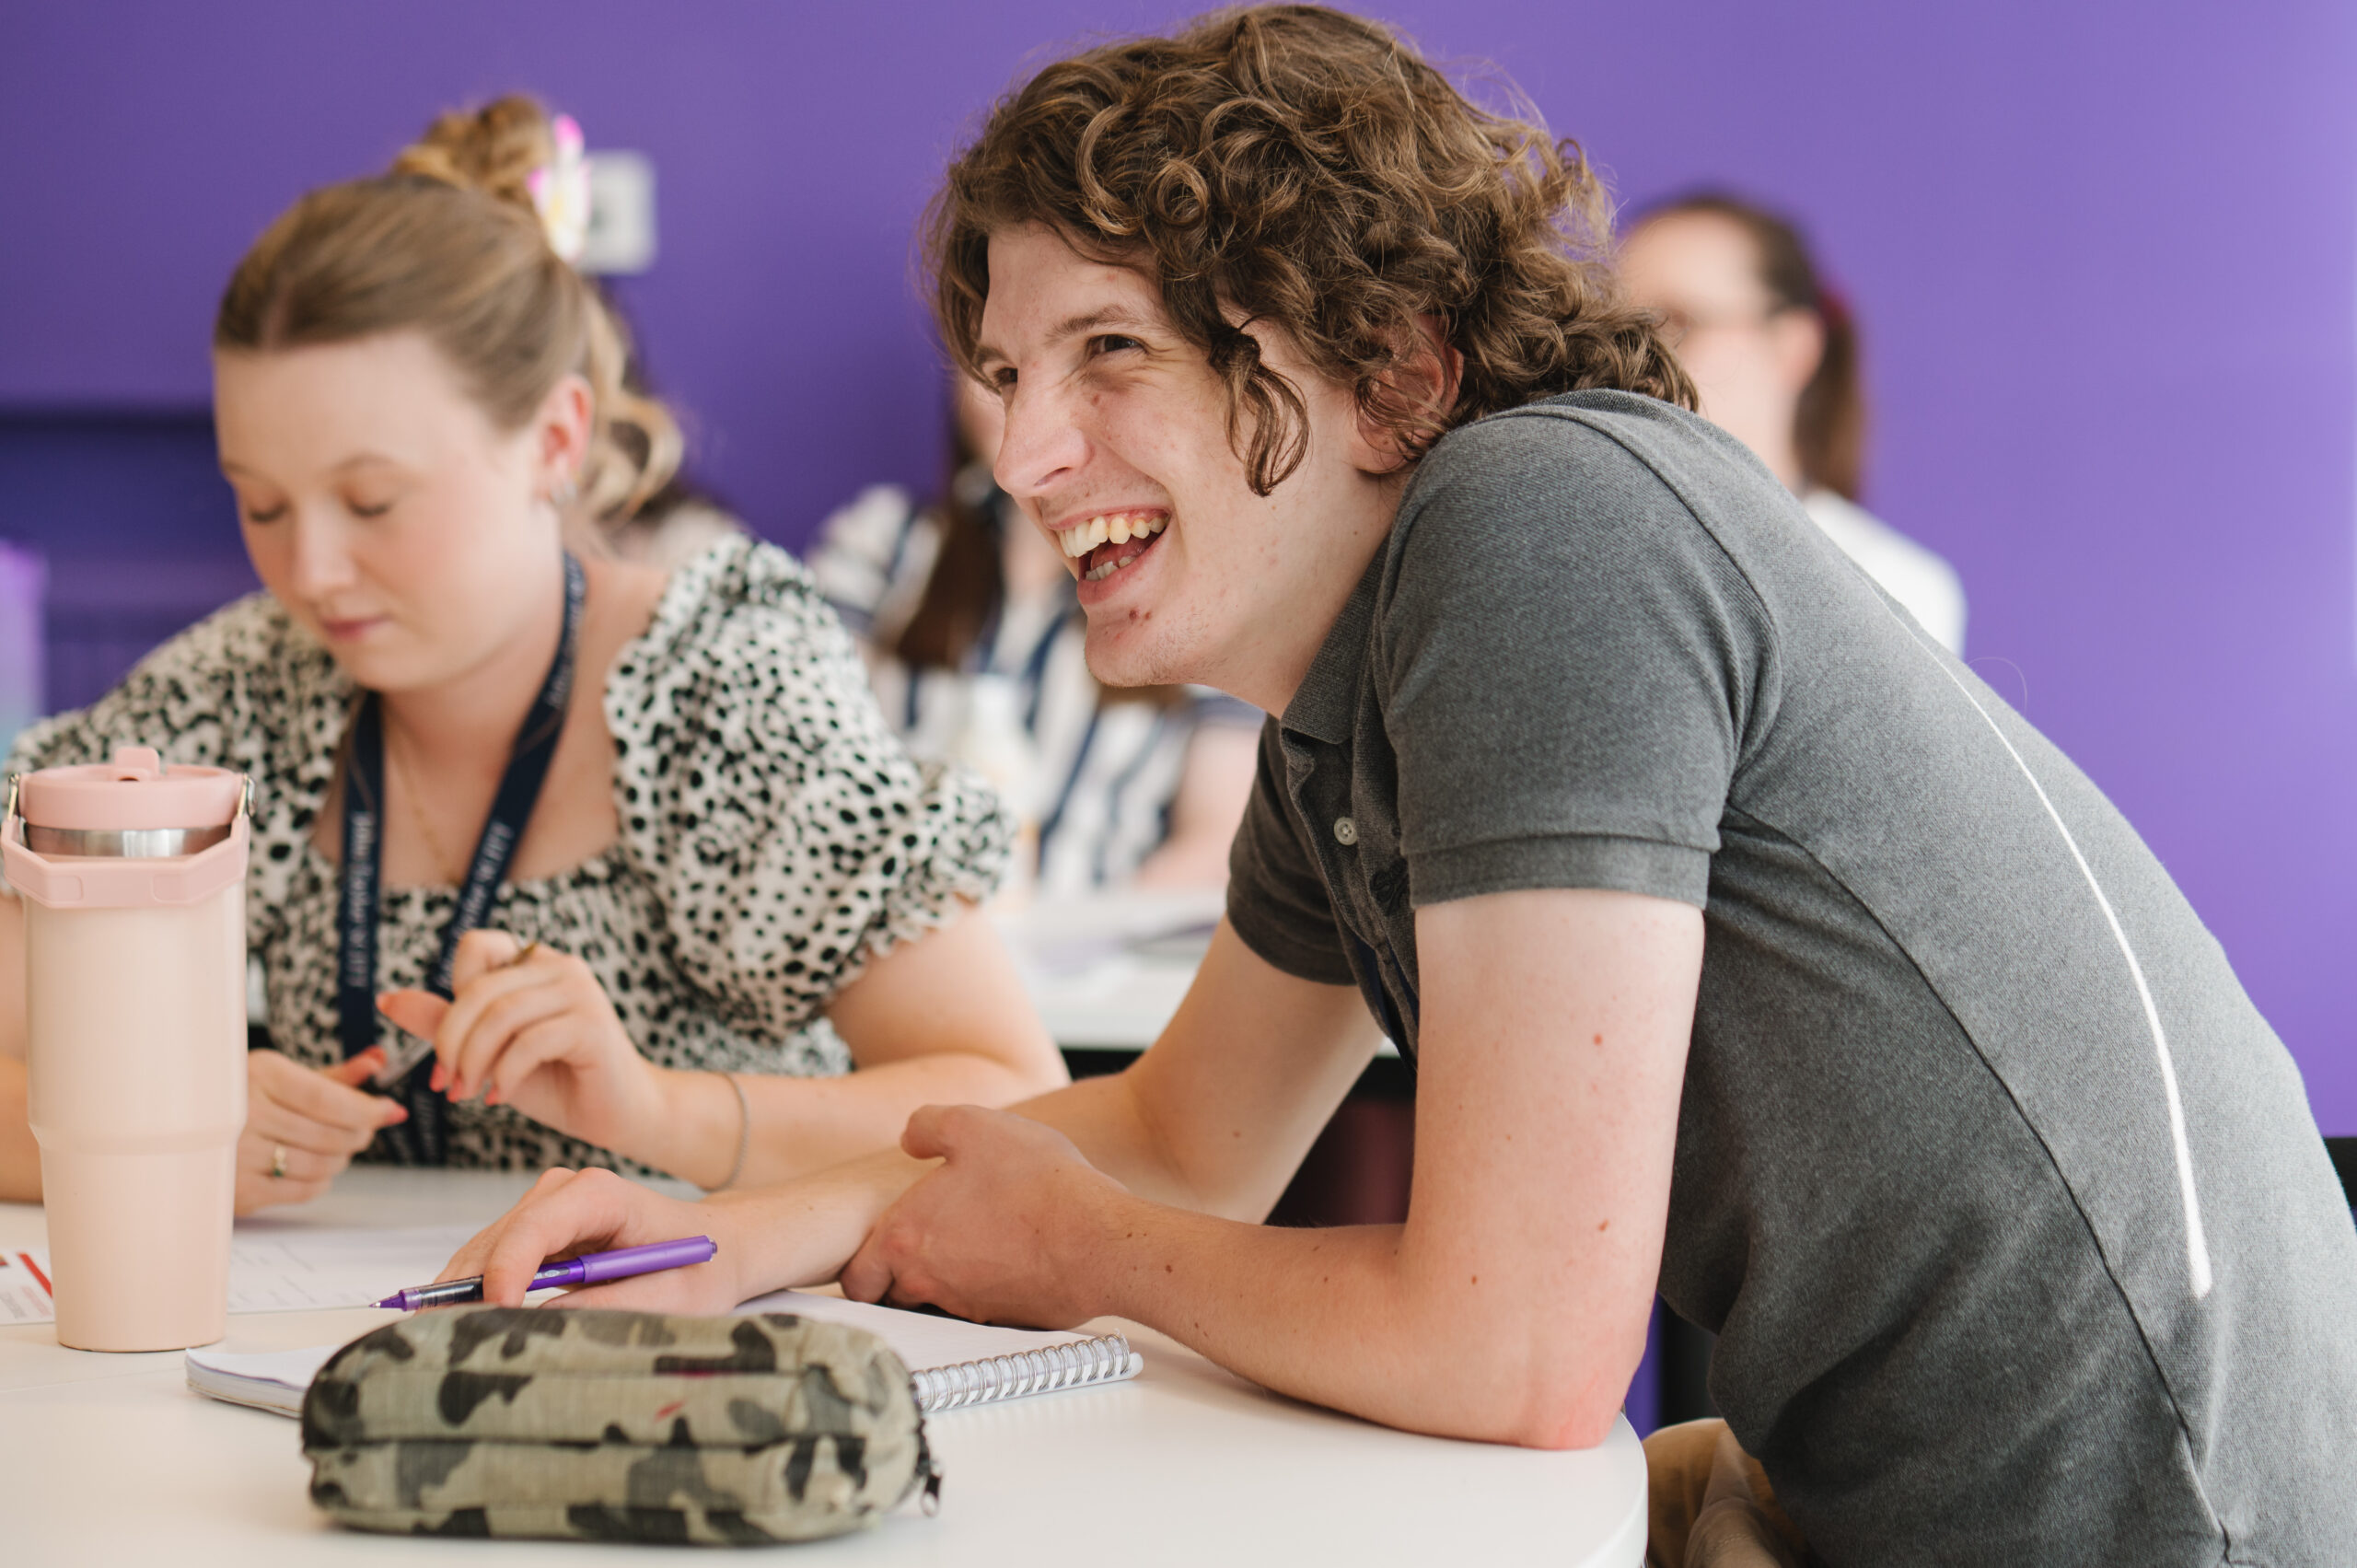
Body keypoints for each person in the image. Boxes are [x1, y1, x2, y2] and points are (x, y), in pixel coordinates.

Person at [443, 13, 2357, 1566]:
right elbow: (1186, 1137)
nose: (1025, 449)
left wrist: (1081, 1250)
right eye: (1007, 371)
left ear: (1389, 368)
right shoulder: (1346, 693)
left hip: (2144, 1517)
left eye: (1108, 352)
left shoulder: (1535, 529)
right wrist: (709, 1241)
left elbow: (1517, 1348)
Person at [0, 96, 1065, 1215]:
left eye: (373, 501)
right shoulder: (248, 686)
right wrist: (159, 1139)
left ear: (554, 440)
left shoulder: (717, 681)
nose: (310, 571)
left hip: (710, 1334)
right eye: (261, 505)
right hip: (363, 1346)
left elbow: (1014, 1097)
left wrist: (652, 1110)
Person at [808, 376, 1260, 893]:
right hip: (896, 940)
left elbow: (1216, 840)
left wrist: (1079, 950)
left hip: (1104, 953)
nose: (1024, 415)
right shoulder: (885, 545)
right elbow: (807, 776)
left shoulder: (1197, 580)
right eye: (998, 373)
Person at [1620, 192, 1968, 655]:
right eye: (1617, 329)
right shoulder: (1587, 547)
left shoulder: (1890, 587)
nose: (1629, 359)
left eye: (1678, 321)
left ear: (1791, 347)